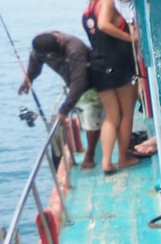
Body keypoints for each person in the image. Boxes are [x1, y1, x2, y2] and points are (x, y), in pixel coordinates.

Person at [81, 0, 141, 175]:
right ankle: (123, 158)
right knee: (126, 115)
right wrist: (130, 36)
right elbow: (104, 25)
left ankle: (106, 161)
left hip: (99, 68)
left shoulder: (86, 12)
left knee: (111, 116)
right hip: (119, 67)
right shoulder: (105, 2)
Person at [18, 31, 103, 170]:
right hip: (73, 81)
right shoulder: (42, 49)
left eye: (59, 39)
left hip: (91, 82)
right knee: (84, 109)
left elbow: (80, 82)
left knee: (90, 113)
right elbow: (35, 59)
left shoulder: (75, 50)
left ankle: (90, 154)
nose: (61, 39)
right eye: (59, 40)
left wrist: (64, 110)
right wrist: (29, 79)